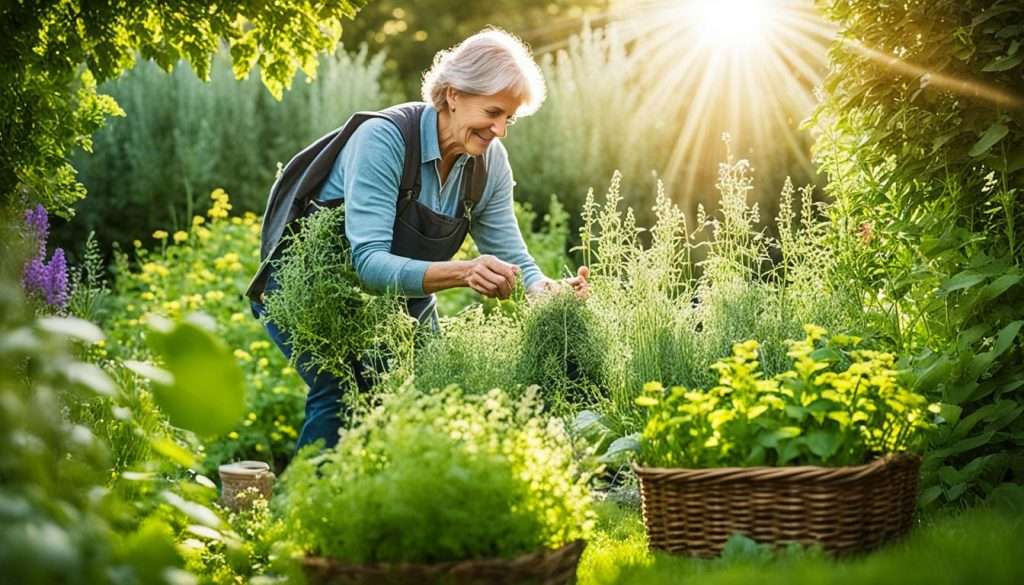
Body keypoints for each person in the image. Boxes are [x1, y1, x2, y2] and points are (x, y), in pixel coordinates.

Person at [250, 28, 589, 451]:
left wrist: (545, 291)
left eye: (510, 119)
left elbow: (508, 249)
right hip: (303, 287)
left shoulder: (488, 162)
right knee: (342, 388)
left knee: (435, 385)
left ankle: (401, 503)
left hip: (395, 296)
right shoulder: (385, 139)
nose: (500, 130)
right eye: (493, 112)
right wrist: (465, 272)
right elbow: (369, 264)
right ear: (452, 95)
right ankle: (308, 510)